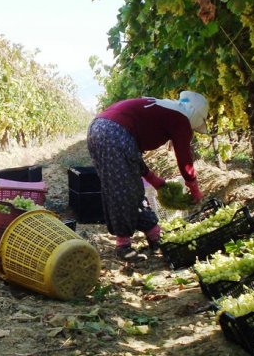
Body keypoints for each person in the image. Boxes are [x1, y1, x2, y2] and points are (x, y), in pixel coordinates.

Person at [87, 91, 209, 261]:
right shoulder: (181, 119)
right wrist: (194, 187)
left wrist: (154, 180)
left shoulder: (167, 108)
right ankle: (123, 245)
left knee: (129, 187)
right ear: (197, 116)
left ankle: (153, 234)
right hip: (113, 132)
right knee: (122, 190)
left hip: (99, 129)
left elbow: (133, 155)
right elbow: (185, 159)